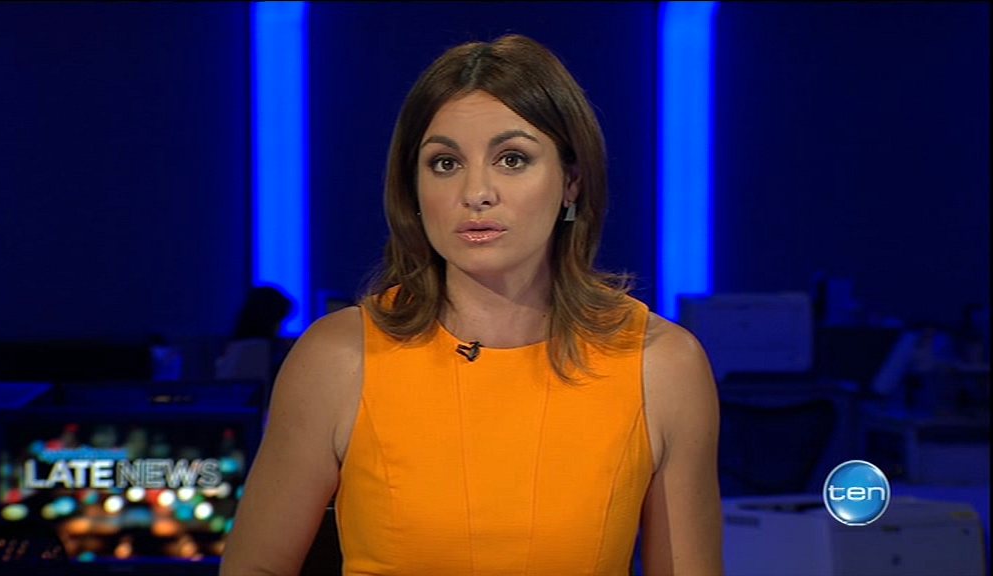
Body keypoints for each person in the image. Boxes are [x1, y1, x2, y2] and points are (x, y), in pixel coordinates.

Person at [221, 34, 721, 575]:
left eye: (512, 159)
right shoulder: (338, 358)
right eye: (444, 163)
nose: (476, 192)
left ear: (571, 182)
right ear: (413, 189)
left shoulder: (661, 365)